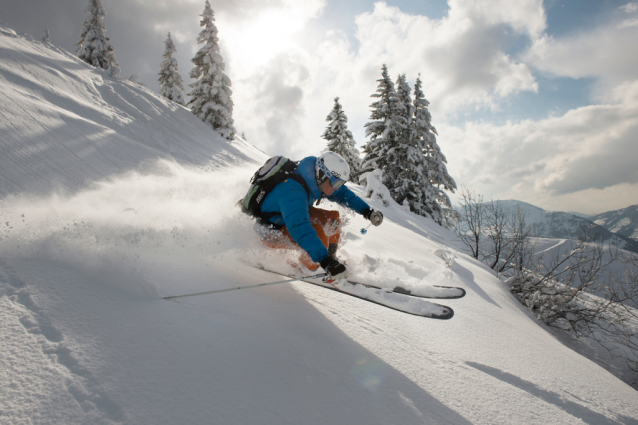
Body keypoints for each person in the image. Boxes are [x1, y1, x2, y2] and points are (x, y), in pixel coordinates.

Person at [257, 152, 384, 281]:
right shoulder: (292, 190)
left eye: (340, 184)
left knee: (332, 219)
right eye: (335, 184)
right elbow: (299, 228)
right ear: (322, 174)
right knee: (319, 234)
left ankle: (331, 261)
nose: (336, 188)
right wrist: (324, 261)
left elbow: (344, 194)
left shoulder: (318, 180)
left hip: (290, 216)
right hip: (270, 231)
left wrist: (367, 212)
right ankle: (311, 270)